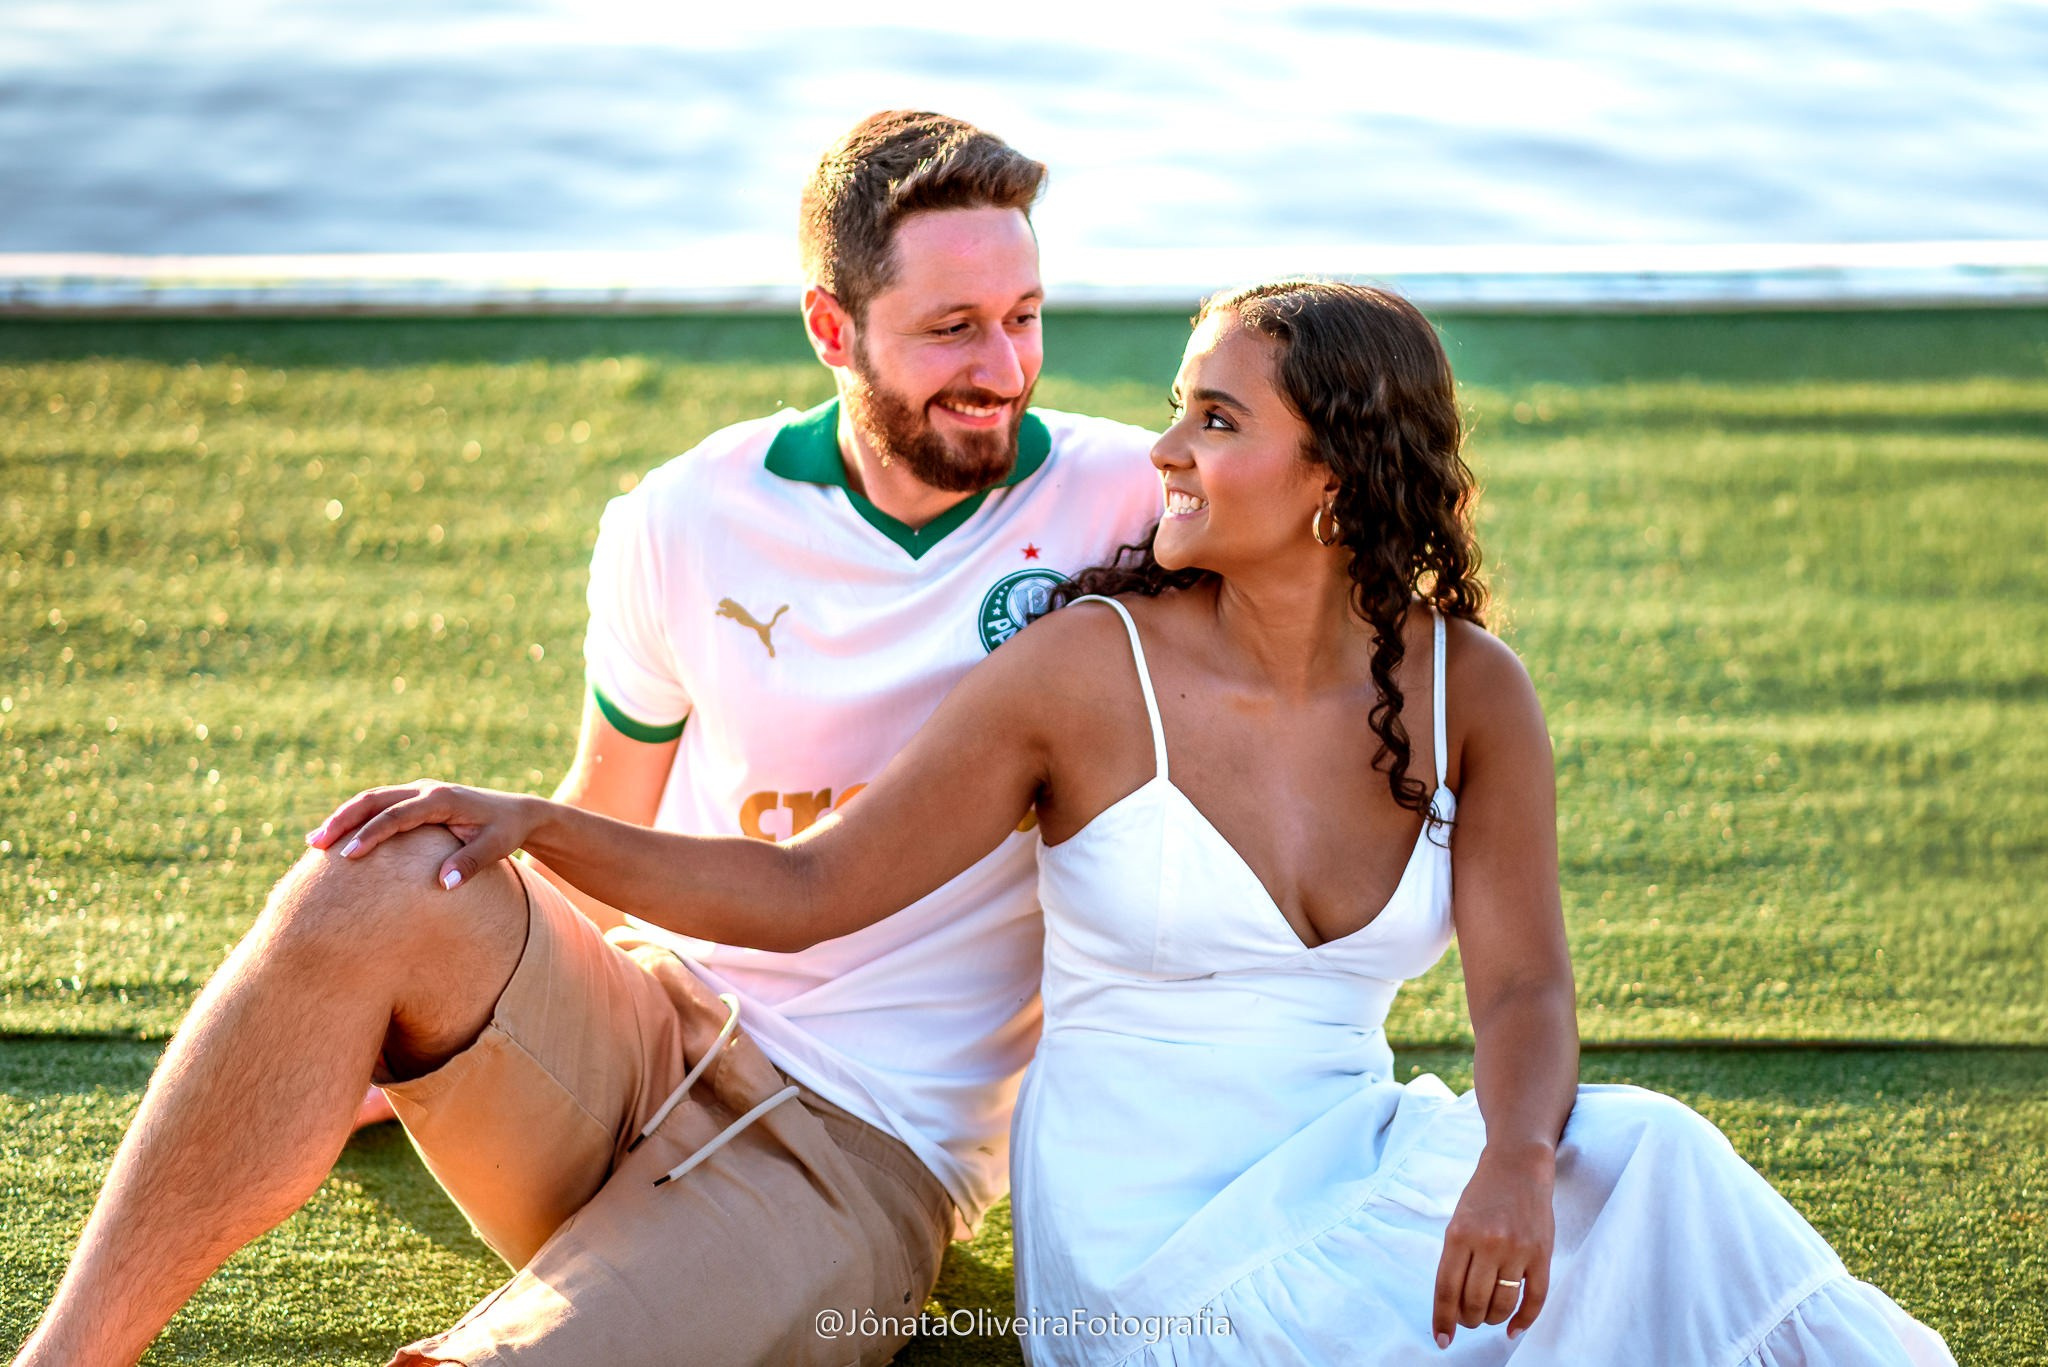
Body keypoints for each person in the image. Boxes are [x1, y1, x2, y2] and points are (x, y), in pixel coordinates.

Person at [305, 280, 1955, 1365]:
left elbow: (1521, 989)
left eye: (1213, 419)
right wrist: (534, 823)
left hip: (1353, 1146)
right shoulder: (1084, 673)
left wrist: (1516, 1161)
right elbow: (807, 888)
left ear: (1333, 475)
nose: (1159, 445)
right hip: (1151, 1230)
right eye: (1176, 405)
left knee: (1648, 1163)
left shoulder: (1471, 689)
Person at [11, 110, 1161, 1367]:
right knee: (384, 863)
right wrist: (390, 1010)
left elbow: (1359, 572)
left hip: (863, 1144)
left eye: (1025, 315)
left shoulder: (1127, 504)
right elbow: (604, 797)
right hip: (639, 1031)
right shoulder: (682, 517)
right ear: (832, 328)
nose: (1002, 363)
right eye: (952, 328)